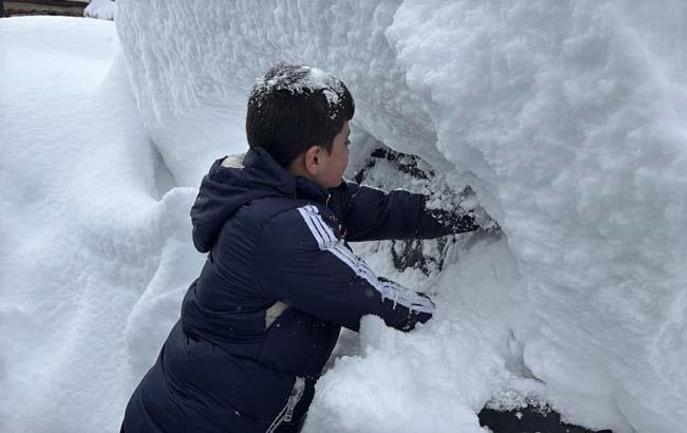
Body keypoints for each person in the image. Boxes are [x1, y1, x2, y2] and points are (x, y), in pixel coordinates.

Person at [121, 63, 479, 433]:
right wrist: (453, 323)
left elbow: (368, 210)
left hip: (188, 404)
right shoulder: (282, 229)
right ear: (314, 159)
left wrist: (464, 211)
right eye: (346, 143)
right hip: (203, 421)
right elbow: (366, 297)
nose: (348, 151)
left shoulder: (268, 188)